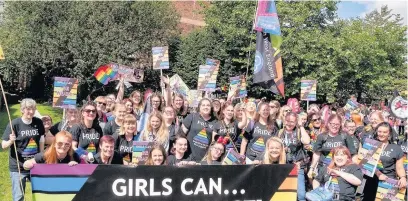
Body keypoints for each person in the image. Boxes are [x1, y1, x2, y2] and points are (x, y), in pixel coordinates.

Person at [2, 98, 45, 201]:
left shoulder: (38, 122)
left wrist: (42, 155)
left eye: (33, 109)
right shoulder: (14, 124)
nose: (31, 111)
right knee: (19, 197)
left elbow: (41, 139)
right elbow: (3, 145)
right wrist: (10, 142)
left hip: (35, 164)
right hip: (18, 167)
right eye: (28, 109)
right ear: (22, 110)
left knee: (41, 193)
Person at [362, 122, 406, 201]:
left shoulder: (396, 148)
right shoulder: (370, 144)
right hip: (371, 181)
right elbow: (365, 164)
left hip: (388, 182)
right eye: (380, 131)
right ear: (376, 132)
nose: (381, 134)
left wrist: (403, 177)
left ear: (389, 133)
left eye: (385, 132)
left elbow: (399, 167)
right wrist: (379, 174)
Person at [308, 114, 357, 179]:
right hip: (324, 169)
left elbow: (353, 154)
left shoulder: (345, 136)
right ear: (328, 124)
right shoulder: (321, 137)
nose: (335, 126)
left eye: (337, 124)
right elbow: (317, 153)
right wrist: (312, 168)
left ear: (340, 125)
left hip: (341, 170)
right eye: (332, 124)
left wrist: (355, 170)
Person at [278, 112, 310, 201]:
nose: (289, 123)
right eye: (287, 121)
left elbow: (307, 141)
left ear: (296, 122)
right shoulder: (280, 132)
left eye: (292, 121)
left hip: (297, 166)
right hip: (283, 166)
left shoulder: (299, 131)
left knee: (301, 195)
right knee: (285, 193)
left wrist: (301, 126)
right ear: (284, 120)